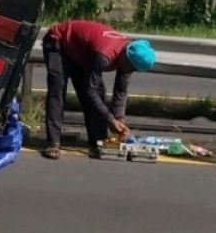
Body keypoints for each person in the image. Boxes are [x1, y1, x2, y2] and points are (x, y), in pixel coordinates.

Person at [40, 19, 157, 159]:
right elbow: (90, 90)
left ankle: (98, 141)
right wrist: (110, 120)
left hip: (82, 53)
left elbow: (120, 91)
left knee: (98, 94)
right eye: (130, 67)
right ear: (126, 57)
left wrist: (119, 119)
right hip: (58, 42)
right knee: (58, 90)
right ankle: (53, 142)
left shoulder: (128, 57)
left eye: (134, 70)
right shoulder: (105, 55)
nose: (129, 71)